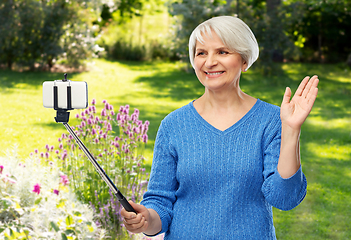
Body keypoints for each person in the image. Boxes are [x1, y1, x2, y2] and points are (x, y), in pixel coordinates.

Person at [121, 16, 319, 239]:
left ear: (244, 60)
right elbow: (160, 204)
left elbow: (284, 198)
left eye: (222, 52)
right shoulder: (173, 125)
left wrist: (291, 129)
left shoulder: (272, 120)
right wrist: (145, 220)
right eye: (201, 53)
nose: (209, 62)